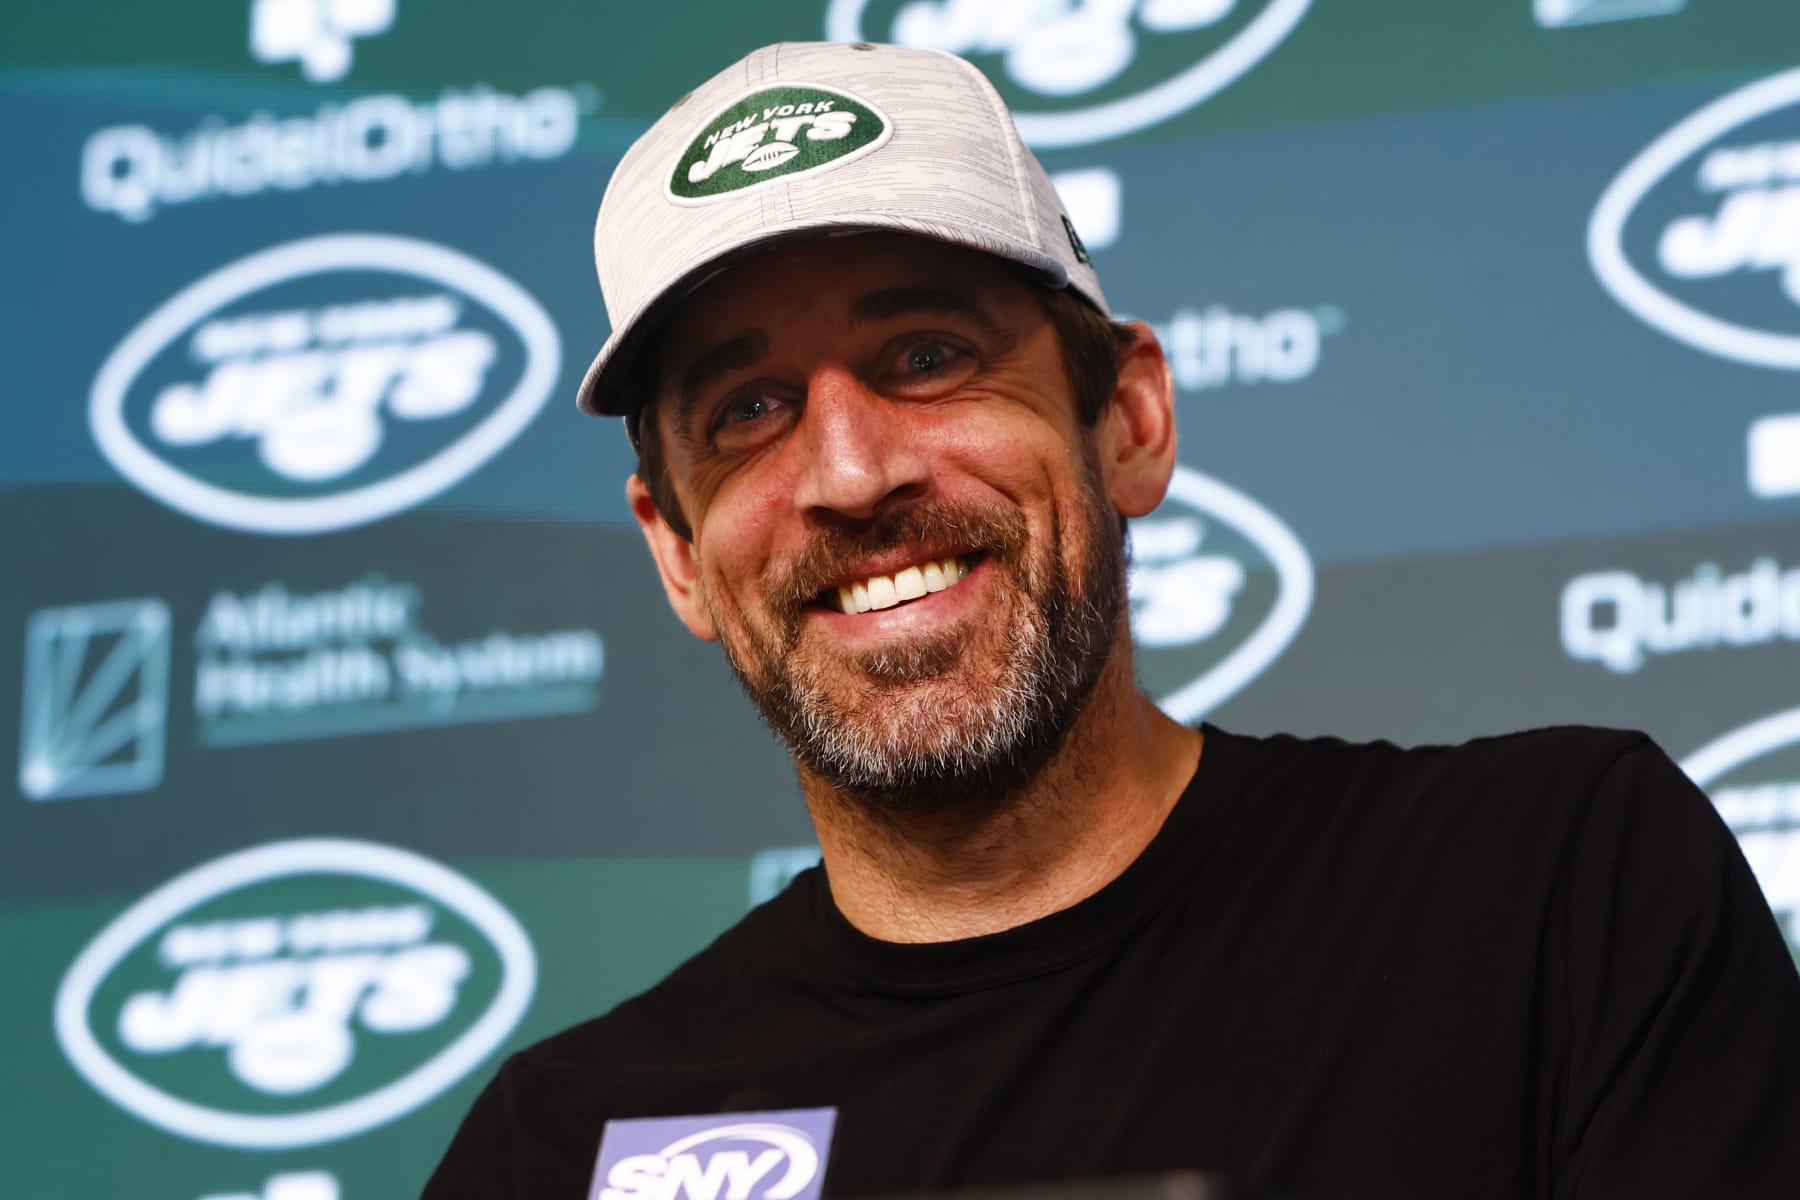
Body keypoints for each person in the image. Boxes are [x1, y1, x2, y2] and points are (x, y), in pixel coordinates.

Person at [422, 41, 1800, 1199]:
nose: (850, 474)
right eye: (747, 412)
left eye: (926, 357)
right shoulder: (560, 1146)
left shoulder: (1552, 887)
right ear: (676, 558)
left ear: (1128, 421)